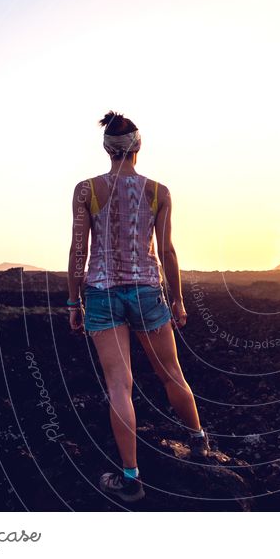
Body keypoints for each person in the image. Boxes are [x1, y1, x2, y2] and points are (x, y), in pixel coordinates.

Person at [66, 110, 209, 503]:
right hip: (148, 292)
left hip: (101, 294)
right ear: (138, 146)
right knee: (171, 374)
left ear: (107, 150)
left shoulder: (86, 190)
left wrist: (72, 302)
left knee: (119, 386)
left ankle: (131, 480)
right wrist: (177, 300)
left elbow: (80, 251)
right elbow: (167, 251)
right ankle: (198, 441)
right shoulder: (158, 192)